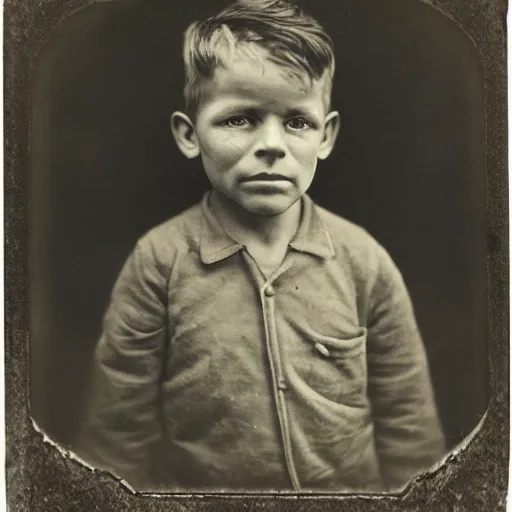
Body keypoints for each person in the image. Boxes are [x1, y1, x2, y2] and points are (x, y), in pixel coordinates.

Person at [77, 0, 446, 493]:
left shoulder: (365, 262)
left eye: (297, 121)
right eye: (240, 119)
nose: (272, 144)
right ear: (190, 135)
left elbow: (411, 433)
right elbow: (115, 440)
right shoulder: (159, 261)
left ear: (326, 135)